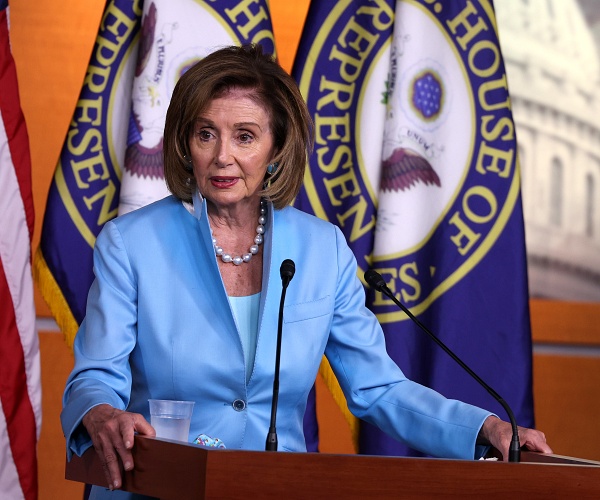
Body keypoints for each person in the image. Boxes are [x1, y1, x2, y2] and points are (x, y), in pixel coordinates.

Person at [61, 44, 552, 498]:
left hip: (276, 487)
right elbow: (94, 375)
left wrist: (483, 429)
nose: (221, 156)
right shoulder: (131, 244)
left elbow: (377, 387)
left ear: (277, 149)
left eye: (245, 136)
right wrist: (101, 413)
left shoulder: (322, 249)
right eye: (205, 133)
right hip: (157, 487)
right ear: (185, 142)